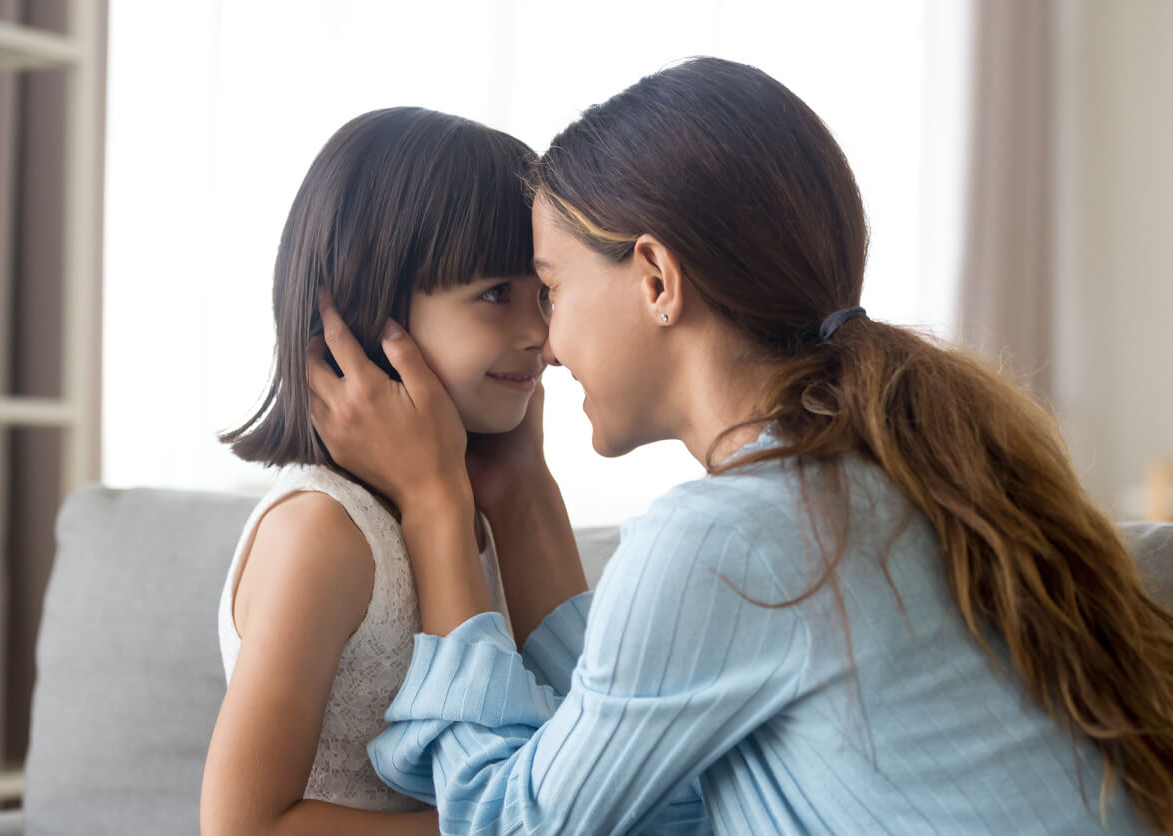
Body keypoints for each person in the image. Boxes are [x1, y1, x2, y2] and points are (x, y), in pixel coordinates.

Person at [304, 58, 1173, 834]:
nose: (549, 343)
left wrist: (433, 505)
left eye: (552, 290)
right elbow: (628, 763)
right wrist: (521, 487)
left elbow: (514, 826)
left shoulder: (736, 533)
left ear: (655, 279)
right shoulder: (881, 475)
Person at [199, 107, 552, 834]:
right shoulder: (322, 532)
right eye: (495, 295)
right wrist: (504, 823)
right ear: (373, 311)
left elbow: (575, 736)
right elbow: (241, 827)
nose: (540, 334)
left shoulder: (479, 502)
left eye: (543, 291)